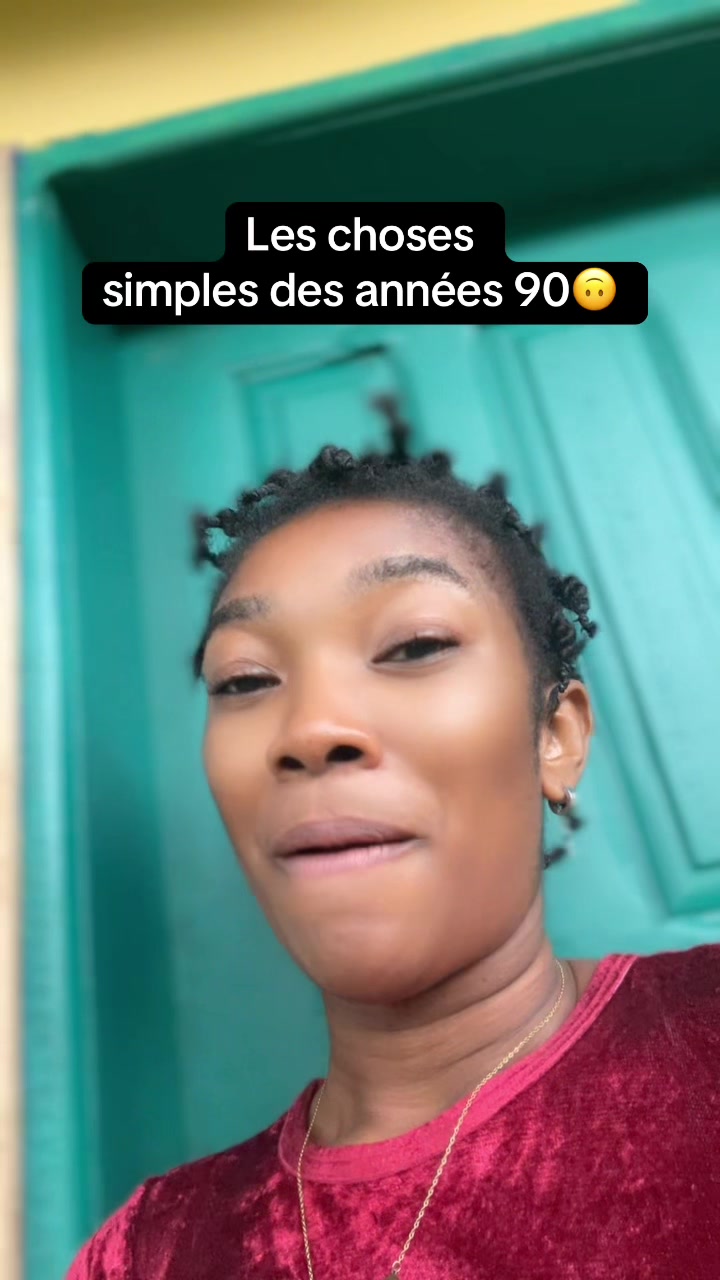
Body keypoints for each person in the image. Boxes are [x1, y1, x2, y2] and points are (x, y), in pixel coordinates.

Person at [68, 422, 719, 1280]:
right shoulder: (147, 1252)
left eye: (415, 646)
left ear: (555, 737)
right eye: (245, 680)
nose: (310, 730)